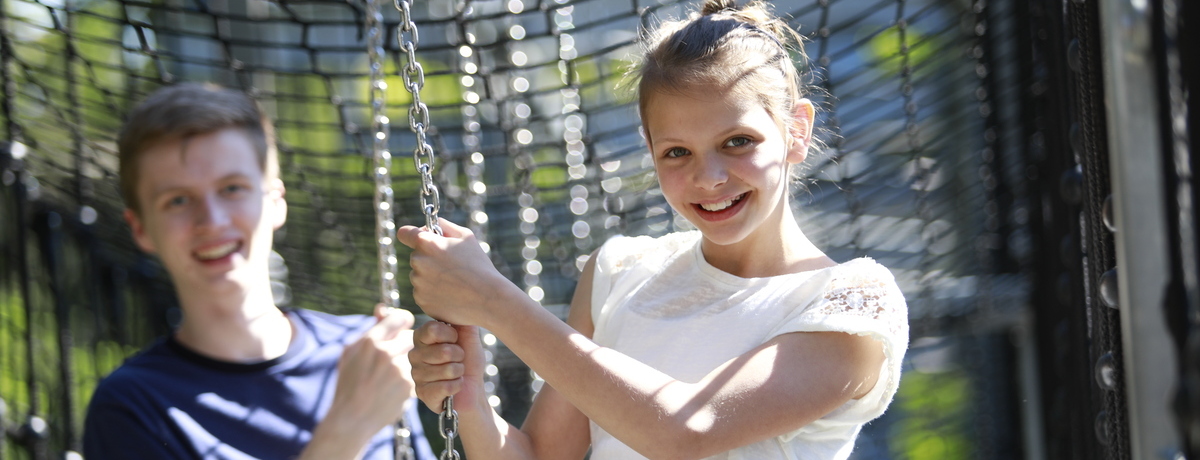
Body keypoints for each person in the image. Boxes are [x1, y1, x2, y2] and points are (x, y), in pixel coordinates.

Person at [396, 1, 910, 459]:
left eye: (737, 141)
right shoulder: (620, 271)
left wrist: (492, 301)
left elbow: (686, 431)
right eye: (677, 152)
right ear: (650, 148)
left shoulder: (850, 303)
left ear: (796, 130)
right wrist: (468, 402)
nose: (708, 178)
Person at [83, 82, 434, 460]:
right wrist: (347, 428)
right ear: (140, 228)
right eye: (178, 200)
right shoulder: (132, 406)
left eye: (232, 188)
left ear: (275, 202)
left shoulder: (367, 353)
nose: (211, 221)